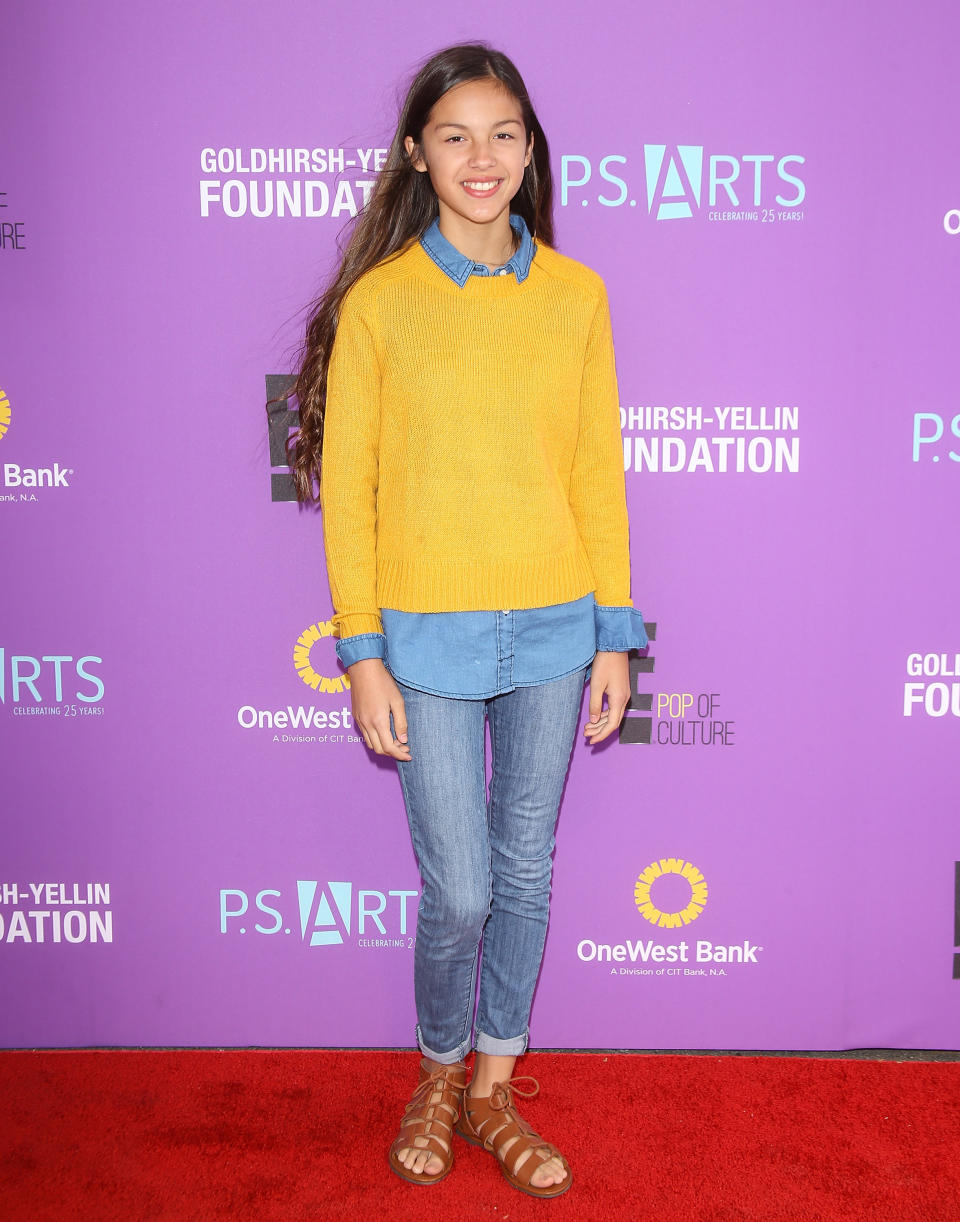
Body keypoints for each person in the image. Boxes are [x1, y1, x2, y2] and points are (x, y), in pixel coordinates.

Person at [288, 42, 647, 1199]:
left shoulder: (578, 295)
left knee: (527, 869)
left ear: (529, 149)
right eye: (455, 135)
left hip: (554, 624)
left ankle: (493, 1083)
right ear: (416, 155)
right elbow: (351, 487)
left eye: (502, 134)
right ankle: (437, 1068)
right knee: (463, 889)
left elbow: (599, 472)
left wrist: (613, 632)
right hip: (427, 635)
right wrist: (362, 651)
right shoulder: (381, 303)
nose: (481, 157)